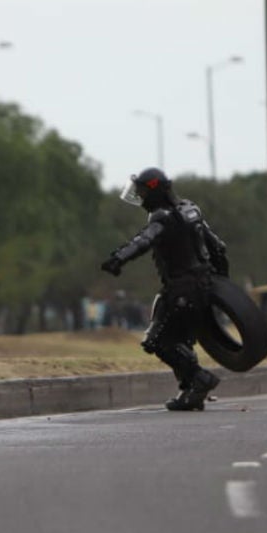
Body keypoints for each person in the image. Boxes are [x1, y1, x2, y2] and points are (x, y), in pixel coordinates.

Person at [101, 167, 230, 411]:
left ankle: (200, 379)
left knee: (157, 341)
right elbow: (218, 248)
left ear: (154, 191)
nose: (139, 196)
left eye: (141, 191)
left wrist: (119, 257)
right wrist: (221, 284)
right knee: (180, 340)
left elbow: (145, 239)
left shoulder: (162, 217)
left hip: (182, 289)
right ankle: (190, 391)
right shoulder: (190, 210)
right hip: (202, 284)